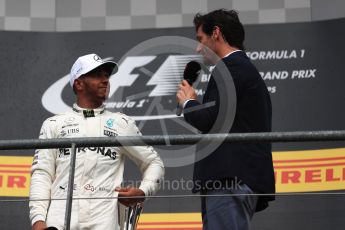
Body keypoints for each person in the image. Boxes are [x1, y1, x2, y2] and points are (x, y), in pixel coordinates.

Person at [29, 53, 165, 230]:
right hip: (60, 219)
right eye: (96, 75)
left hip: (103, 221)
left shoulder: (121, 123)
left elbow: (154, 162)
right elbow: (42, 174)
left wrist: (143, 191)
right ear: (78, 83)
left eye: (106, 75)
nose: (105, 80)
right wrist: (38, 220)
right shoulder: (54, 124)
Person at [176, 9, 275, 230]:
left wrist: (189, 103)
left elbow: (208, 120)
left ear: (216, 33)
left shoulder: (230, 69)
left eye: (200, 39)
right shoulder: (238, 69)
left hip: (230, 179)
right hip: (232, 179)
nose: (198, 48)